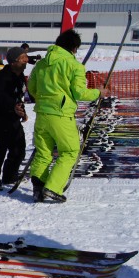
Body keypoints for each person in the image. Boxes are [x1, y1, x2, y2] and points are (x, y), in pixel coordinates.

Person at [28, 29, 108, 203]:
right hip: (61, 115)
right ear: (73, 48)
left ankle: (38, 188)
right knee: (70, 151)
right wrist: (98, 93)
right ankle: (52, 188)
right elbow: (79, 93)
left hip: (42, 114)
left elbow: (32, 89)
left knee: (43, 153)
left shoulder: (41, 64)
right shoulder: (74, 65)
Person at [0, 47, 29, 191]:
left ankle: (9, 175)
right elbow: (3, 98)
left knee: (19, 150)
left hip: (13, 119)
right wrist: (14, 107)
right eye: (23, 58)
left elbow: (18, 97)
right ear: (14, 61)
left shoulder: (20, 75)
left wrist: (22, 111)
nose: (26, 60)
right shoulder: (4, 77)